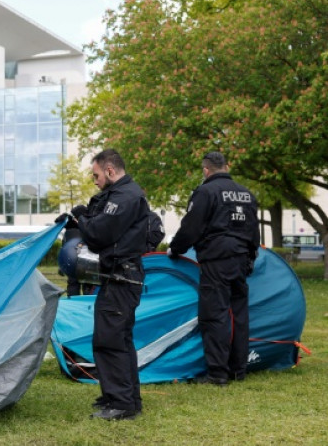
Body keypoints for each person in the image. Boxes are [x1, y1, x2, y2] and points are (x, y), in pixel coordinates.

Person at [58, 149, 151, 420]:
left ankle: (121, 403)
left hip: (121, 278)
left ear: (110, 170)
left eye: (96, 175)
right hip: (119, 277)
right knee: (119, 340)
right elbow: (102, 225)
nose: (94, 180)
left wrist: (82, 219)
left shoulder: (125, 196)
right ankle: (125, 398)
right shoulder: (123, 194)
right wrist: (78, 221)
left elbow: (99, 233)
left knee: (109, 341)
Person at [167, 151, 260, 386]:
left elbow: (191, 227)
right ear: (226, 167)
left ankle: (217, 373)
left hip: (216, 259)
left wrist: (176, 249)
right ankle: (238, 369)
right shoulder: (247, 194)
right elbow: (254, 231)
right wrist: (250, 256)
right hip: (241, 258)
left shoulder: (205, 192)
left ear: (206, 170)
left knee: (214, 314)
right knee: (239, 314)